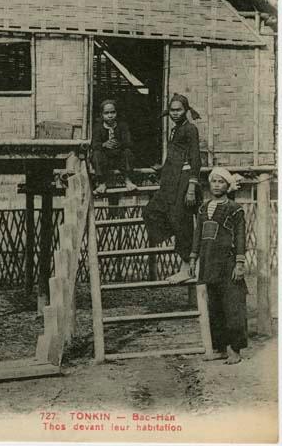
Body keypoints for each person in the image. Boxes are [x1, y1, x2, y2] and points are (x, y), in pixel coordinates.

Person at [189, 167, 247, 365]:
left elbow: (240, 237)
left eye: (221, 182)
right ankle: (220, 348)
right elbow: (198, 235)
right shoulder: (203, 208)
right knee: (213, 308)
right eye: (213, 181)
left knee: (232, 307)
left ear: (227, 185)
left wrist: (239, 263)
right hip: (208, 263)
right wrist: (193, 258)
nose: (216, 185)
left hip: (227, 263)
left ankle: (235, 350)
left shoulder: (234, 209)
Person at [143, 93, 201, 283]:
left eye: (179, 110)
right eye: (173, 110)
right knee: (152, 211)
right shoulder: (174, 130)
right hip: (169, 180)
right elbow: (175, 155)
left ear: (186, 110)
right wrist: (163, 167)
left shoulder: (190, 129)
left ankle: (187, 267)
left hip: (184, 181)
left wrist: (192, 186)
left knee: (181, 221)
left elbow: (195, 158)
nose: (175, 113)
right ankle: (183, 245)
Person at [91, 99, 137, 195]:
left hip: (119, 158)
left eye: (113, 112)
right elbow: (94, 144)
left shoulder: (122, 126)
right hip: (105, 159)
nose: (110, 115)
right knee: (96, 154)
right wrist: (104, 144)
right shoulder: (98, 127)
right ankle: (102, 183)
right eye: (106, 113)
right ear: (101, 114)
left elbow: (129, 142)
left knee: (128, 152)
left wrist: (119, 144)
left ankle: (128, 180)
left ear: (116, 112)